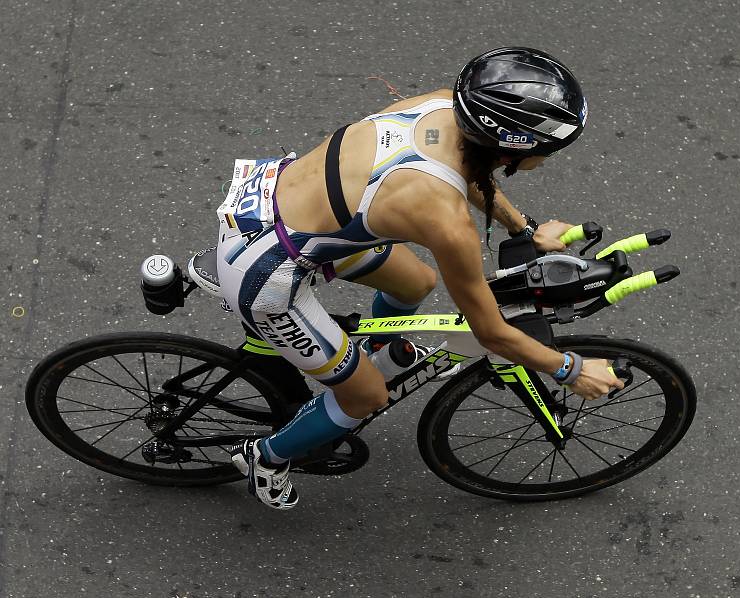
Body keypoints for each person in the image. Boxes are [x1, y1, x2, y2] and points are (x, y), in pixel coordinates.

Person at [219, 47, 624, 509]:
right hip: (269, 272)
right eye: (547, 150)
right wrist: (570, 369)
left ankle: (372, 353)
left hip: (273, 204)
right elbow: (490, 332)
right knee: (366, 397)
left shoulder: (441, 109)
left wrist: (524, 228)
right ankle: (264, 459)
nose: (547, 160)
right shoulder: (445, 220)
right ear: (513, 148)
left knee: (415, 282)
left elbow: (470, 171)